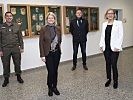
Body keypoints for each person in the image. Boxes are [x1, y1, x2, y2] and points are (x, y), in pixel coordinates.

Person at [99, 8, 123, 89]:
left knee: (113, 64)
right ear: (106, 15)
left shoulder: (118, 23)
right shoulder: (104, 24)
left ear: (114, 15)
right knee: (107, 64)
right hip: (106, 48)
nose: (110, 15)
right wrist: (101, 45)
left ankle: (115, 80)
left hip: (114, 48)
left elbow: (121, 36)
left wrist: (118, 46)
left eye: (111, 13)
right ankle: (109, 79)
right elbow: (102, 36)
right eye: (108, 13)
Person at [39, 12, 62, 96]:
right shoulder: (43, 29)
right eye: (49, 18)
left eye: (52, 18)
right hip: (48, 54)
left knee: (55, 71)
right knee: (50, 71)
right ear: (47, 20)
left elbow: (60, 40)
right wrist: (42, 55)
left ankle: (55, 87)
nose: (51, 19)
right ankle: (50, 87)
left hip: (57, 53)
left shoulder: (58, 28)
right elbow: (41, 43)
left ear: (54, 19)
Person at [0, 12, 24, 87]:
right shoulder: (1, 26)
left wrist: (22, 47)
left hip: (15, 48)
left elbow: (20, 37)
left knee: (17, 63)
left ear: (12, 17)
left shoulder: (17, 26)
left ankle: (18, 76)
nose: (9, 17)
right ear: (5, 17)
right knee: (5, 65)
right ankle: (6, 79)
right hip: (5, 49)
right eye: (7, 16)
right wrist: (0, 50)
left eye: (10, 16)